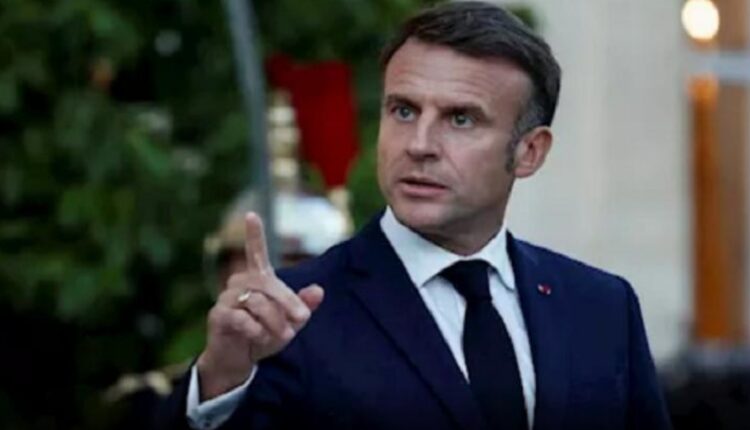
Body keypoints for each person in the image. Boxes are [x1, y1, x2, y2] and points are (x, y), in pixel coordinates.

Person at [158, 2, 672, 429]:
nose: (420, 144)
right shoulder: (291, 316)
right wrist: (221, 380)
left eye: (460, 119)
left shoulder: (601, 308)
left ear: (529, 152)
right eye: (403, 111)